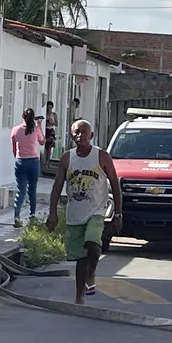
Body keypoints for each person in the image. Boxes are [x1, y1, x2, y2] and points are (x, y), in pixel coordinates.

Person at [48, 119, 122, 304]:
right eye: (76, 132)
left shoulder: (102, 157)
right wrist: (53, 213)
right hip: (75, 213)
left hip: (96, 211)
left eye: (84, 132)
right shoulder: (67, 158)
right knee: (81, 257)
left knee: (92, 240)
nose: (80, 136)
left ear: (92, 135)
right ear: (71, 135)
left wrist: (118, 214)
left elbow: (115, 183)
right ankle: (79, 295)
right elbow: (57, 185)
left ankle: (92, 273)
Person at [11, 107, 45, 227]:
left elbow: (14, 148)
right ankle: (32, 215)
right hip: (34, 162)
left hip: (21, 162)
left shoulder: (15, 130)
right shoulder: (35, 129)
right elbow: (42, 142)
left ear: (23, 117)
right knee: (32, 190)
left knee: (21, 190)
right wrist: (39, 125)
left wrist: (18, 157)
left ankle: (16, 216)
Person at [43, 100, 58, 167]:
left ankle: (47, 162)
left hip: (51, 130)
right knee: (45, 146)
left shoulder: (54, 114)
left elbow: (56, 123)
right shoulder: (44, 113)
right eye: (48, 107)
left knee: (49, 147)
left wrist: (52, 122)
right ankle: (44, 160)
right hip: (45, 130)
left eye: (50, 107)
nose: (49, 109)